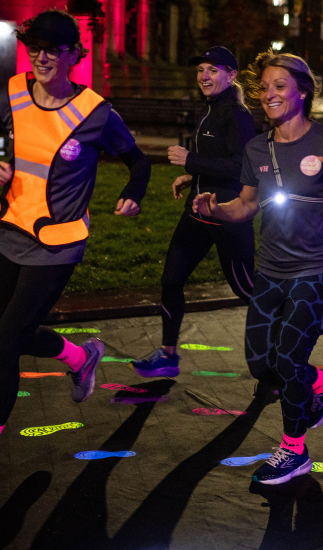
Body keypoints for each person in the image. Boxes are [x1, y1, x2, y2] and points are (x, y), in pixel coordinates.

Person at [0, 9, 151, 499]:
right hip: (8, 233)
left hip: (58, 246)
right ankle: (80, 355)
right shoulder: (12, 93)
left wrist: (134, 192)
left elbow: (137, 161)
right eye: (33, 46)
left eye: (53, 47)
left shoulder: (97, 113)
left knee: (5, 346)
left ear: (76, 53)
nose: (41, 56)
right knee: (17, 333)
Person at [193, 50, 323, 485]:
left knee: (288, 357)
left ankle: (294, 451)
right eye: (264, 87)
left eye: (280, 86)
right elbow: (244, 205)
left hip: (318, 268)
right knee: (262, 365)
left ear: (302, 92)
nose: (269, 94)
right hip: (272, 269)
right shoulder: (256, 147)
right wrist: (215, 210)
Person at [131, 47, 256, 378]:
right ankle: (168, 355)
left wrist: (192, 161)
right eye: (201, 69)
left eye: (213, 70)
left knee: (249, 291)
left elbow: (240, 167)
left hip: (228, 213)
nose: (204, 76)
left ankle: (283, 347)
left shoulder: (236, 115)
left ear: (231, 75)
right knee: (170, 279)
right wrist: (191, 176)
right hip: (196, 214)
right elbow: (217, 160)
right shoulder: (210, 109)